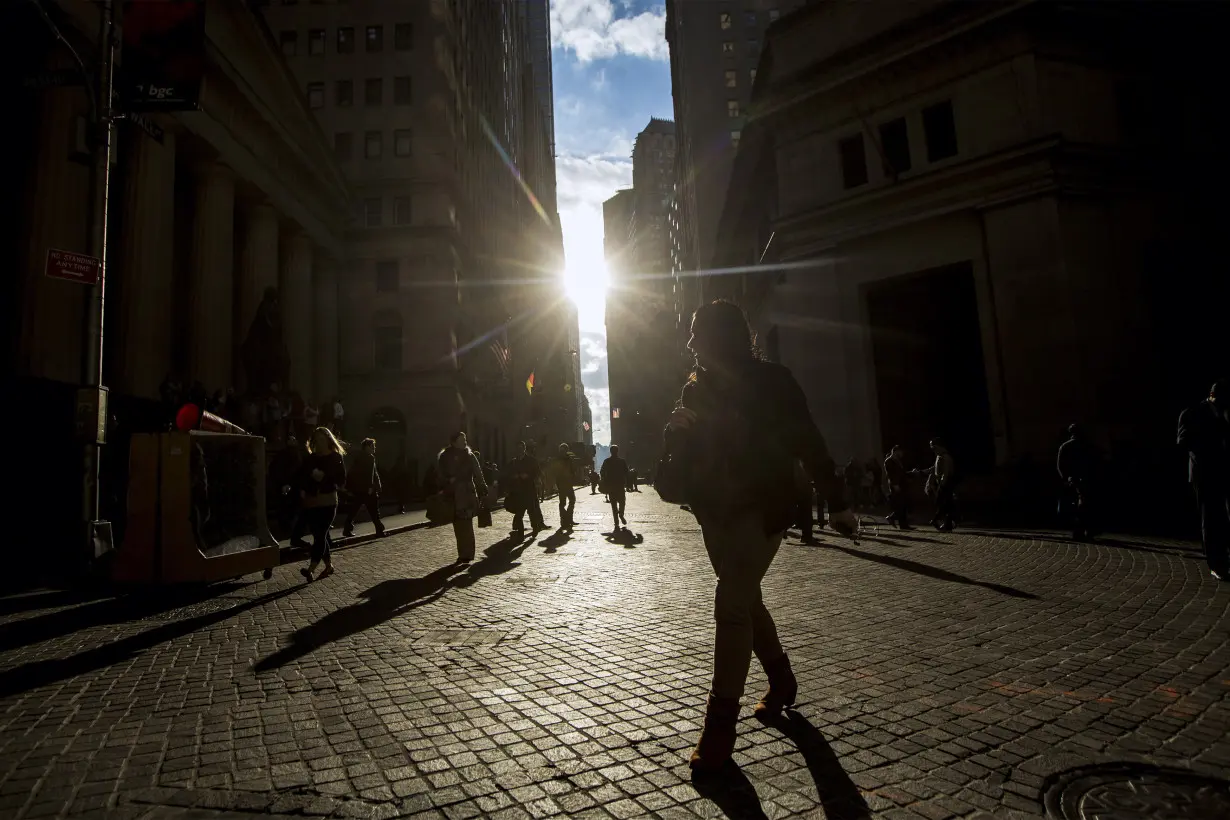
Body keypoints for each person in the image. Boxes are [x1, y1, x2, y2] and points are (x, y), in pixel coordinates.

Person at [664, 299, 856, 771]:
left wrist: (839, 502)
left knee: (730, 605)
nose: (690, 344)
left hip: (763, 510)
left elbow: (809, 441)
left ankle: (718, 731)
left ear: (720, 336)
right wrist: (675, 434)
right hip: (714, 514)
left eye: (697, 333)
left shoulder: (776, 381)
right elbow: (674, 474)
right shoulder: (695, 391)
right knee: (747, 602)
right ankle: (782, 682)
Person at [1178, 380, 1229, 581]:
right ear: (1211, 395)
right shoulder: (1193, 413)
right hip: (1206, 472)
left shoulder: (1223, 412)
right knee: (1211, 519)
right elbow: (1184, 441)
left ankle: (1222, 559)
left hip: (1223, 471)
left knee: (1221, 518)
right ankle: (1217, 563)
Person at [295, 427, 347, 582]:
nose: (320, 442)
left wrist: (326, 480)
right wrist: (303, 488)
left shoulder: (335, 457)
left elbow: (341, 479)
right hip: (311, 501)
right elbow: (301, 476)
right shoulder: (310, 458)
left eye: (323, 439)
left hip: (328, 500)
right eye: (317, 439)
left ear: (329, 440)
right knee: (320, 535)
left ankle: (311, 569)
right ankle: (329, 566)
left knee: (319, 535)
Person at [438, 432, 488, 564]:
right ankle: (463, 553)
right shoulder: (445, 456)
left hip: (466, 492)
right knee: (457, 524)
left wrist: (482, 486)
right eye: (462, 439)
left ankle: (468, 554)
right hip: (452, 493)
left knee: (466, 522)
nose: (465, 441)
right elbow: (440, 473)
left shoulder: (469, 455)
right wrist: (448, 480)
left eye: (465, 439)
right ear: (454, 442)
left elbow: (478, 472)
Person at [1056, 424, 1102, 541]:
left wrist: (1065, 478)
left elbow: (1060, 465)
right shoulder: (1087, 446)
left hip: (1073, 479)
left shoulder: (1065, 446)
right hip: (1085, 478)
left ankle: (1078, 531)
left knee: (1075, 506)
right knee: (1085, 504)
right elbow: (1094, 463)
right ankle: (1086, 530)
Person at [342, 438, 384, 538]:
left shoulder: (359, 457)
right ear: (367, 447)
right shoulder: (369, 457)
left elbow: (371, 473)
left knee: (354, 509)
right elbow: (370, 474)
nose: (374, 448)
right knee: (373, 511)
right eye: (372, 446)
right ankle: (379, 530)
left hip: (359, 489)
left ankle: (347, 528)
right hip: (367, 489)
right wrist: (372, 486)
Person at [508, 441, 547, 534]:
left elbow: (537, 472)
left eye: (521, 448)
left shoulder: (531, 460)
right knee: (519, 511)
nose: (520, 450)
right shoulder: (514, 462)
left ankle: (535, 527)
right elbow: (509, 474)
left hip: (529, 489)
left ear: (524, 449)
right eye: (518, 448)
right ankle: (519, 530)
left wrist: (528, 476)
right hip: (518, 490)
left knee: (531, 510)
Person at [600, 445, 630, 531]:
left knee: (613, 505)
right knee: (622, 502)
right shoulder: (622, 461)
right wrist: (627, 484)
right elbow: (627, 473)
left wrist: (604, 480)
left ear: (610, 451)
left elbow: (602, 471)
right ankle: (621, 514)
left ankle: (616, 522)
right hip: (620, 485)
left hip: (611, 486)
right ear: (617, 451)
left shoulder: (607, 461)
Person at [883, 445, 912, 529]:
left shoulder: (897, 461)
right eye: (901, 452)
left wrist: (909, 475)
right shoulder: (889, 461)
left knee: (903, 505)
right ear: (895, 451)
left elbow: (901, 473)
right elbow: (891, 475)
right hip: (896, 485)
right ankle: (892, 518)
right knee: (900, 504)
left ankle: (903, 525)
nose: (902, 454)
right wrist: (895, 485)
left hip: (902, 484)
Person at [551, 443, 576, 530]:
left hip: (566, 483)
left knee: (568, 501)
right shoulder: (563, 459)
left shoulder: (567, 459)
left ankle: (567, 519)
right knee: (565, 502)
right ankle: (566, 519)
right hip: (563, 484)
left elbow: (572, 470)